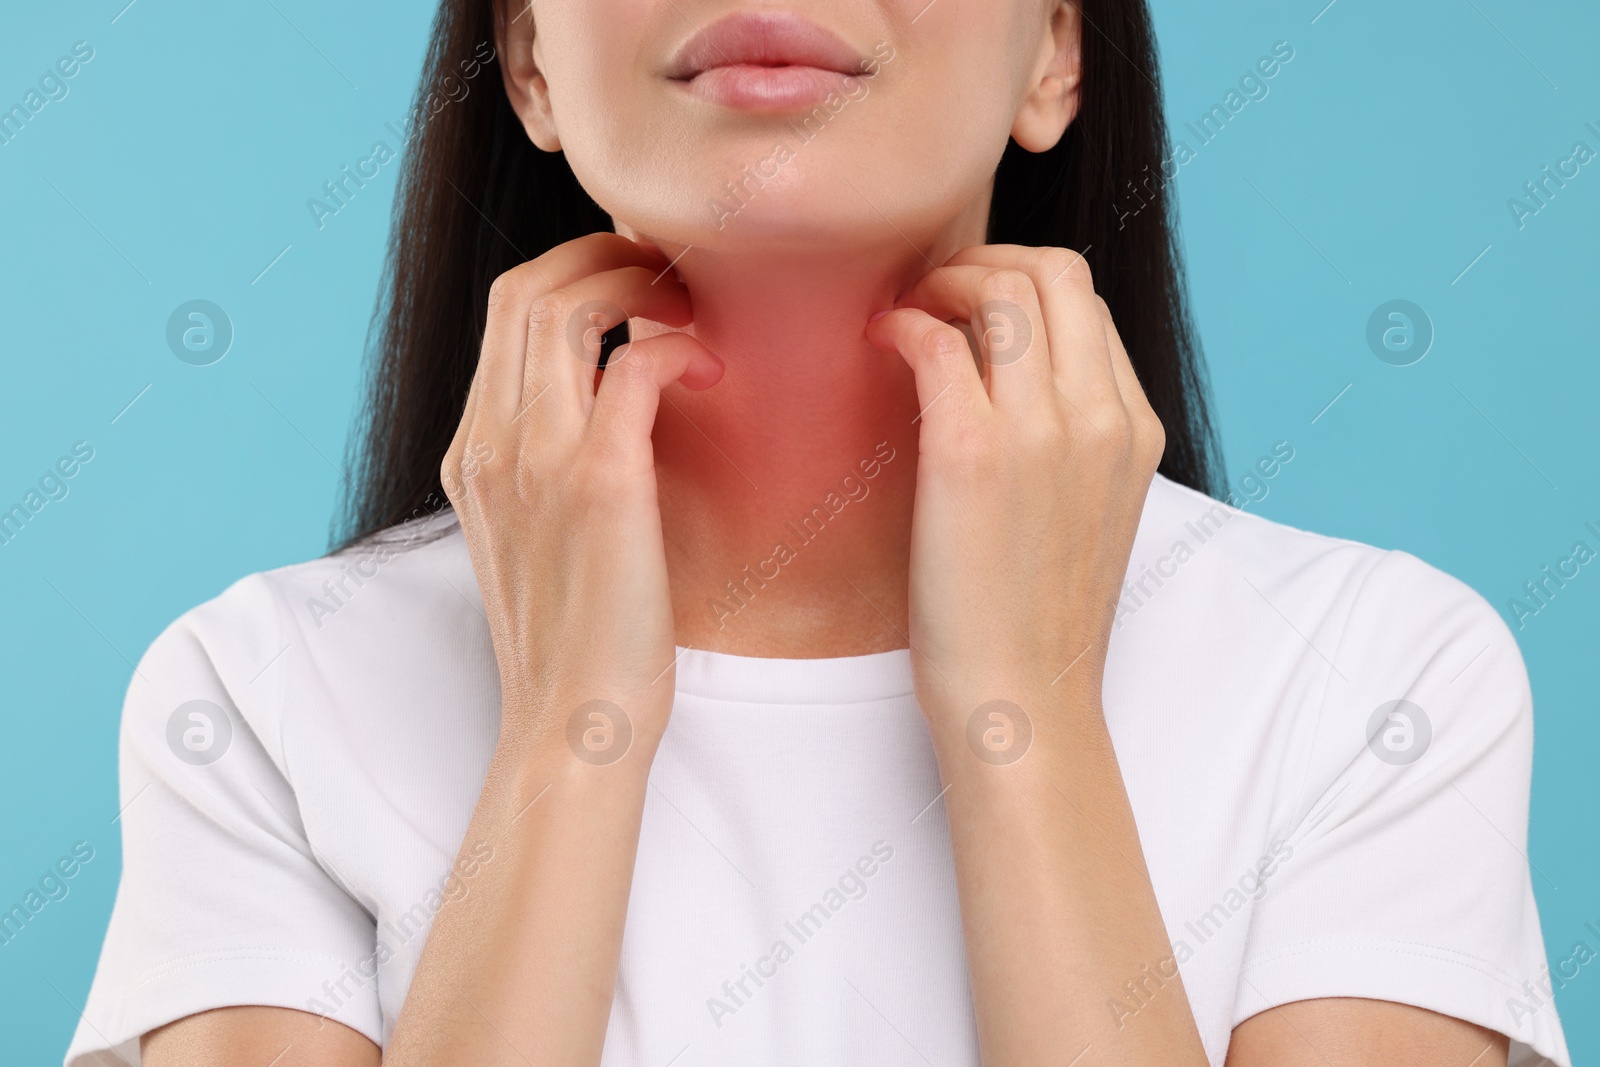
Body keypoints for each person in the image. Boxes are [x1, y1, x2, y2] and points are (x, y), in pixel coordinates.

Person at [68, 2, 1571, 1065]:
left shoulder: (1381, 679)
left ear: (1056, 53)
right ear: (528, 60)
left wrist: (1024, 719)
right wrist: (572, 732)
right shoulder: (261, 691)